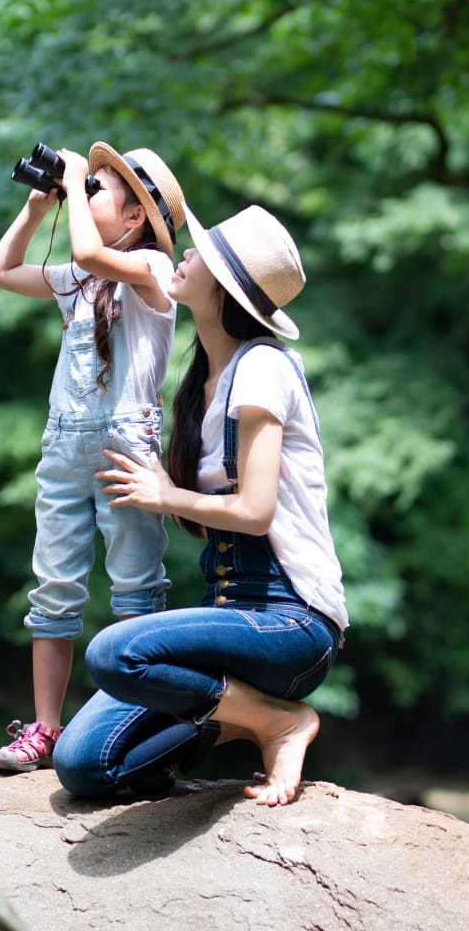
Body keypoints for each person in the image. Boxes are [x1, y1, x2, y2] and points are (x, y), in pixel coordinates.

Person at [51, 204, 347, 805]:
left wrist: (165, 495)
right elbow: (199, 515)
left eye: (201, 255)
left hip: (289, 622)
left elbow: (255, 512)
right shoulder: (201, 379)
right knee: (85, 765)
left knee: (115, 651)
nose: (185, 254)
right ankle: (240, 715)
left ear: (226, 287)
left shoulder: (263, 367)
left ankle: (279, 721)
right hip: (230, 619)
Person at [0, 144, 189, 773]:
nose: (84, 192)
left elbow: (89, 253)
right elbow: (0, 270)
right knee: (55, 587)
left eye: (96, 189)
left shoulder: (152, 266)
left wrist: (73, 176)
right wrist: (36, 207)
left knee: (134, 589)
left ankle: (130, 722)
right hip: (64, 445)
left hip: (125, 447)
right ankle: (45, 728)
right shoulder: (82, 279)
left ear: (133, 219)